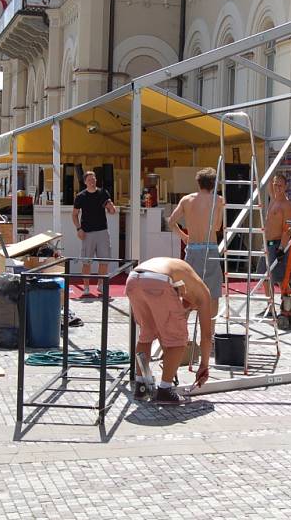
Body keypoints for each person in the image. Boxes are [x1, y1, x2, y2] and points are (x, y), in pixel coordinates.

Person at [127, 257, 212, 404]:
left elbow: (165, 326)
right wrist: (204, 365)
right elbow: (206, 335)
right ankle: (165, 390)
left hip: (134, 278)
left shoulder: (182, 280)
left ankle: (143, 385)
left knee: (146, 335)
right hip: (157, 280)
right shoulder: (204, 295)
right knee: (179, 341)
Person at [168, 167, 225, 321]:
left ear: (198, 183)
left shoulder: (186, 200)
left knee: (188, 294)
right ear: (213, 184)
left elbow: (171, 222)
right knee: (213, 294)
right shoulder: (218, 200)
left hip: (193, 249)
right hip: (210, 248)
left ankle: (181, 333)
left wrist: (184, 236)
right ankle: (210, 334)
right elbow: (218, 226)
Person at [71, 171, 117, 297]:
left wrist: (112, 208)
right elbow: (74, 215)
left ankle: (100, 285)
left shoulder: (103, 193)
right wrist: (78, 229)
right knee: (86, 261)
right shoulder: (80, 196)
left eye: (94, 179)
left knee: (104, 260)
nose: (92, 181)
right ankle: (86, 287)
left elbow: (112, 210)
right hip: (87, 233)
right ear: (85, 182)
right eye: (89, 179)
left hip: (102, 231)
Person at [257, 173, 291, 300]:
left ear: (286, 186)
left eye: (280, 185)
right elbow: (267, 180)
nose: (277, 187)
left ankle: (288, 304)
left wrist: (281, 248)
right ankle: (270, 305)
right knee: (264, 276)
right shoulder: (273, 199)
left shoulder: (286, 205)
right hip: (266, 244)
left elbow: (287, 230)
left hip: (277, 245)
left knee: (280, 278)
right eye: (275, 184)